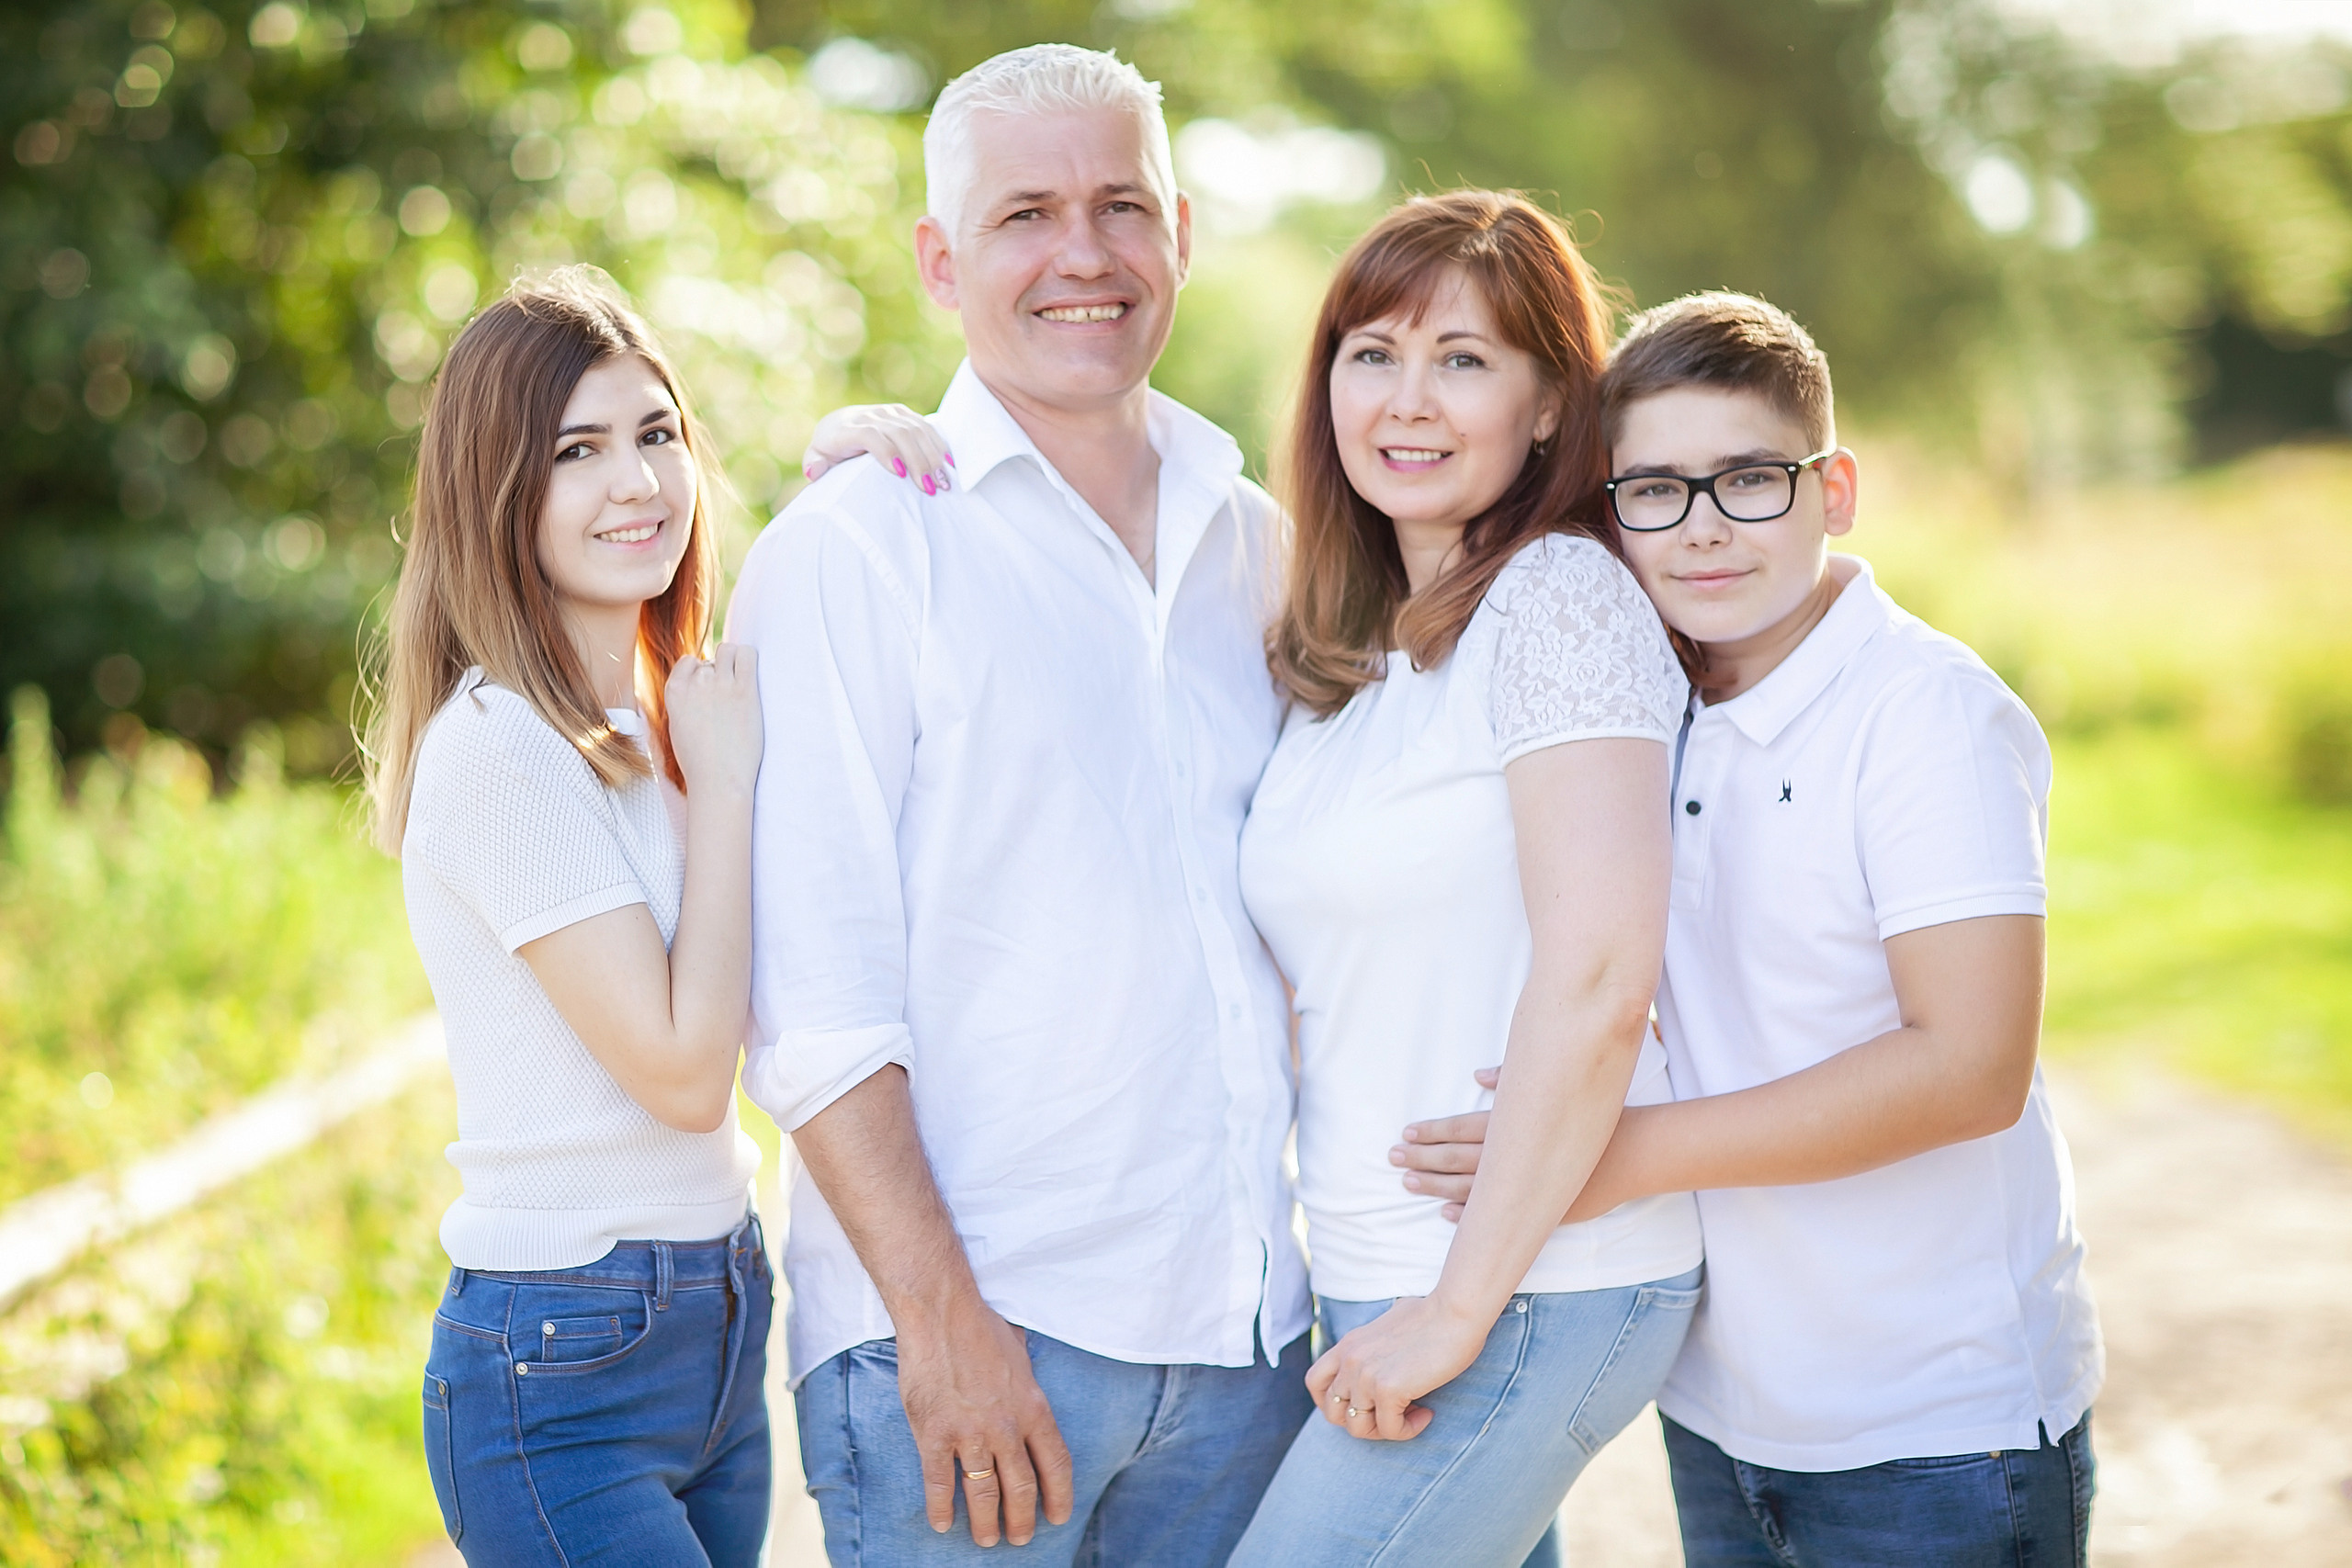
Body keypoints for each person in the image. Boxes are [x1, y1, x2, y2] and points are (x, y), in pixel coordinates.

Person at [808, 190, 1707, 1568]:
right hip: (1366, 1289)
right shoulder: (1351, 640)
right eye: (1372, 353)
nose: (1408, 400)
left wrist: (1459, 1311)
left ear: (1548, 406)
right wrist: (879, 445)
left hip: (1523, 1294)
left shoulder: (1560, 601)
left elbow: (1599, 975)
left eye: (1463, 360)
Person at [1394, 291, 2105, 1565]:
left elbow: (1971, 1067)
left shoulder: (1921, 713)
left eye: (1750, 481)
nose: (1703, 531)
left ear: (1833, 489)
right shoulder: (1650, 697)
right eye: (1654, 490)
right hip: (1724, 1407)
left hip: (1934, 1430)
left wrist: (1598, 1157)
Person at [726, 45, 1313, 1567]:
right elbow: (812, 999)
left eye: (1123, 204)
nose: (1083, 254)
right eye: (1024, 214)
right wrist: (943, 1324)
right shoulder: (857, 550)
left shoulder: (1259, 543)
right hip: (979, 1350)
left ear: (1180, 231)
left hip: (1247, 1340)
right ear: (940, 260)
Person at [366, 268, 772, 1566]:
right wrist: (732, 794)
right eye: (578, 452)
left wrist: (872, 460)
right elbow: (681, 1073)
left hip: (718, 1312)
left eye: (657, 436)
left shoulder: (666, 722)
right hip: (565, 1360)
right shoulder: (501, 749)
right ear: (502, 494)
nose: (637, 482)